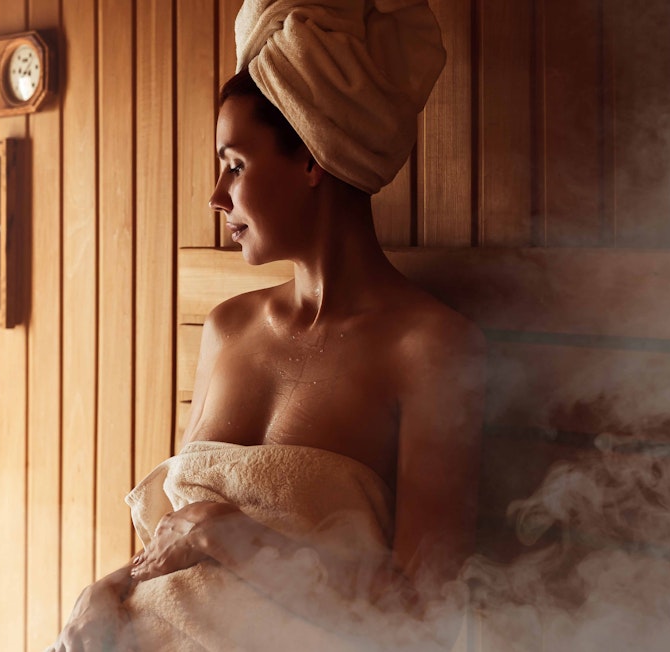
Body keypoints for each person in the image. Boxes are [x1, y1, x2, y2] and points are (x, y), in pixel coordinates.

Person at [52, 1, 484, 650]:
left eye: (235, 164)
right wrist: (104, 590)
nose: (215, 194)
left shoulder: (428, 350)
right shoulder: (228, 328)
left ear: (311, 158)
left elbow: (426, 613)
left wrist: (227, 535)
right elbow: (174, 537)